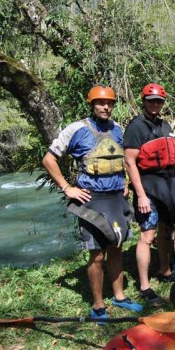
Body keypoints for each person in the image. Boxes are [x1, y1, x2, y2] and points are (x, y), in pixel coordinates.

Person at [42, 84, 143, 322]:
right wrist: (68, 188)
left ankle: (119, 296)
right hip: (91, 201)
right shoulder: (77, 129)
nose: (105, 107)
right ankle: (98, 306)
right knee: (97, 254)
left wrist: (125, 181)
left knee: (116, 247)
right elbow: (48, 159)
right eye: (100, 103)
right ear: (92, 105)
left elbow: (125, 160)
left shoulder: (118, 129)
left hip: (116, 199)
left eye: (109, 103)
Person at [123, 83, 175, 307]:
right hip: (147, 185)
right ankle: (144, 286)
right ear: (144, 101)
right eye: (151, 101)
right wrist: (140, 195)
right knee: (147, 235)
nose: (155, 105)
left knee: (167, 230)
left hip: (167, 183)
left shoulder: (165, 125)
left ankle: (165, 269)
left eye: (159, 101)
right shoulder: (136, 127)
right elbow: (130, 162)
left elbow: (174, 153)